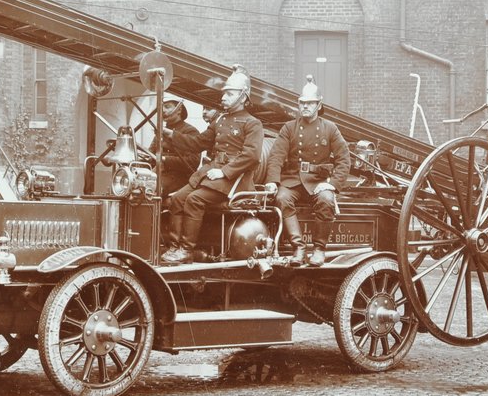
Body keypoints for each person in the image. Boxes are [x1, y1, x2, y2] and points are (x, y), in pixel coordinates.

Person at [160, 67, 264, 265]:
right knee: (177, 199)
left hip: (235, 180)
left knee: (194, 200)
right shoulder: (221, 120)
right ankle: (174, 247)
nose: (224, 97)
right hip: (212, 174)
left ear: (243, 97)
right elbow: (198, 143)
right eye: (224, 93)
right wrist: (172, 135)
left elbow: (251, 156)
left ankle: (186, 250)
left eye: (230, 93)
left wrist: (224, 171)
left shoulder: (253, 123)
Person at [264, 75, 350, 266]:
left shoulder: (330, 128)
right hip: (293, 180)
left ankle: (319, 249)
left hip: (319, 182)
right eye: (302, 103)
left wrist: (332, 185)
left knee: (326, 199)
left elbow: (344, 160)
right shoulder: (289, 128)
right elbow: (276, 156)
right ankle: (299, 247)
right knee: (282, 198)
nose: (305, 106)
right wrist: (272, 180)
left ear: (319, 105)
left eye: (310, 103)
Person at [150, 99, 200, 198]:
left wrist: (164, 159)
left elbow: (193, 162)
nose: (163, 110)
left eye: (167, 107)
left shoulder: (190, 131)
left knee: (151, 188)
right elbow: (151, 153)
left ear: (179, 110)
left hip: (180, 177)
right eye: (162, 107)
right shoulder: (160, 132)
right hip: (159, 173)